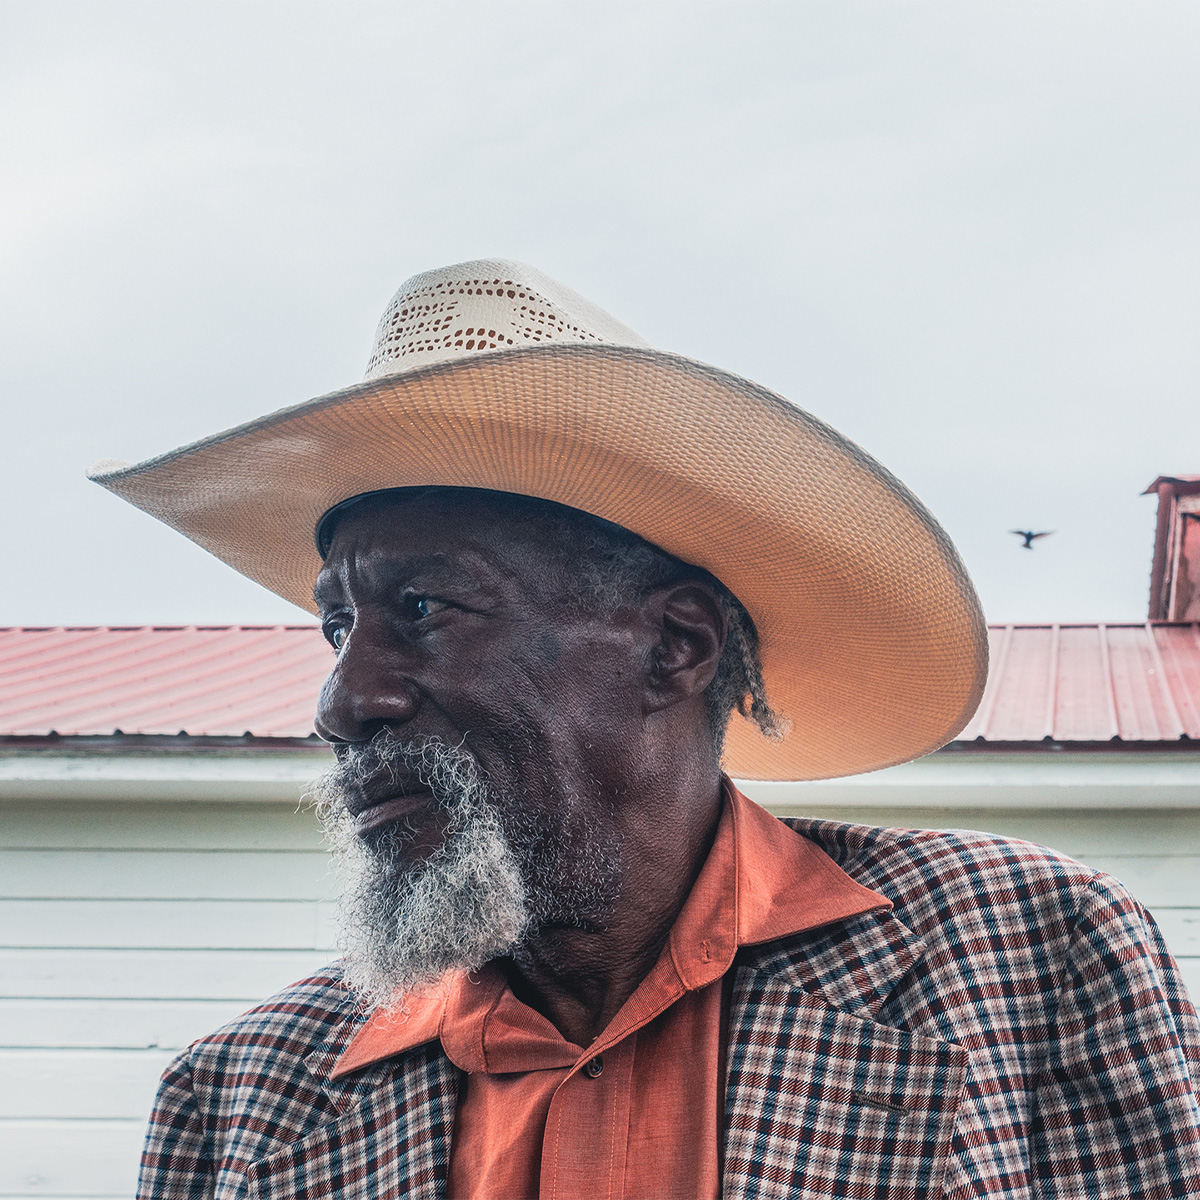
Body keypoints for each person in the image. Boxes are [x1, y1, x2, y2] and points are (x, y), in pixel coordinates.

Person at [92, 261, 1200, 1199]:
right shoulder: (239, 1096)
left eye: (423, 610)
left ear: (676, 647)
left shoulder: (1029, 956)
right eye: (338, 628)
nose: (344, 702)